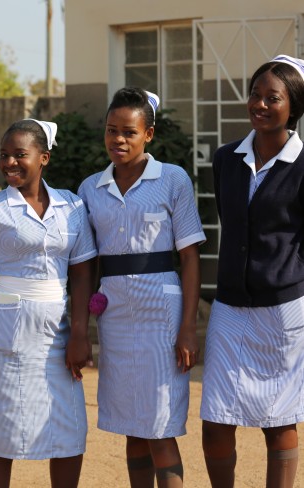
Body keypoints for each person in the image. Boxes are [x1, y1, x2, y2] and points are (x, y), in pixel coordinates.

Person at [77, 88, 204, 488]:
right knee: (132, 426)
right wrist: (83, 325)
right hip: (115, 315)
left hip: (161, 314)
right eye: (112, 131)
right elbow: (86, 264)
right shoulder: (89, 189)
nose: (119, 140)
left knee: (160, 426)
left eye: (129, 132)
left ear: (148, 134)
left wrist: (188, 327)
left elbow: (190, 258)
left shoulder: (172, 179)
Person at [0, 119, 95, 488]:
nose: (10, 163)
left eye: (20, 155)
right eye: (4, 155)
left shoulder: (72, 206)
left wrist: (80, 334)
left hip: (58, 333)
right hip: (4, 335)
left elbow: (83, 274)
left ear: (44, 158)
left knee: (68, 431)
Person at [200, 54, 304, 488]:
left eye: (272, 98)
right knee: (216, 419)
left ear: (293, 108)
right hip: (228, 307)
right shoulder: (226, 160)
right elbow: (232, 222)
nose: (260, 104)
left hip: (282, 310)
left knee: (278, 420)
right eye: (255, 95)